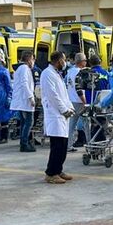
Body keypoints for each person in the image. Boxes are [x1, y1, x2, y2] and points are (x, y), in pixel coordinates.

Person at [41, 51, 75, 184]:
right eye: (64, 60)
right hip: (55, 114)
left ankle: (59, 170)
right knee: (57, 146)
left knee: (63, 145)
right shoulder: (47, 73)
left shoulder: (57, 74)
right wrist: (63, 110)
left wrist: (70, 107)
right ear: (59, 60)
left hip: (62, 115)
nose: (65, 62)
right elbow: (52, 95)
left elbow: (64, 94)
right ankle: (51, 173)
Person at [11, 51, 37, 152]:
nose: (33, 62)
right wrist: (31, 97)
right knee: (29, 122)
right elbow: (25, 84)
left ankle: (24, 142)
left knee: (23, 122)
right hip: (25, 99)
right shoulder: (25, 69)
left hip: (21, 99)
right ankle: (24, 143)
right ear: (29, 59)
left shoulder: (20, 69)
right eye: (33, 59)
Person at [83, 55, 110, 143]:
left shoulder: (88, 73)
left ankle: (96, 143)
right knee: (102, 122)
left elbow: (86, 89)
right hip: (104, 101)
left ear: (90, 63)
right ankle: (102, 141)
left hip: (92, 102)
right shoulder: (105, 73)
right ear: (100, 62)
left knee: (94, 123)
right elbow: (109, 87)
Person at [66, 53, 87, 149]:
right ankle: (90, 144)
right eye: (85, 60)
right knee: (86, 124)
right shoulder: (80, 72)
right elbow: (79, 89)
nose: (86, 62)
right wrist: (85, 102)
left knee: (71, 125)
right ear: (81, 62)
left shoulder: (70, 71)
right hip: (79, 101)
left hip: (71, 100)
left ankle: (68, 145)